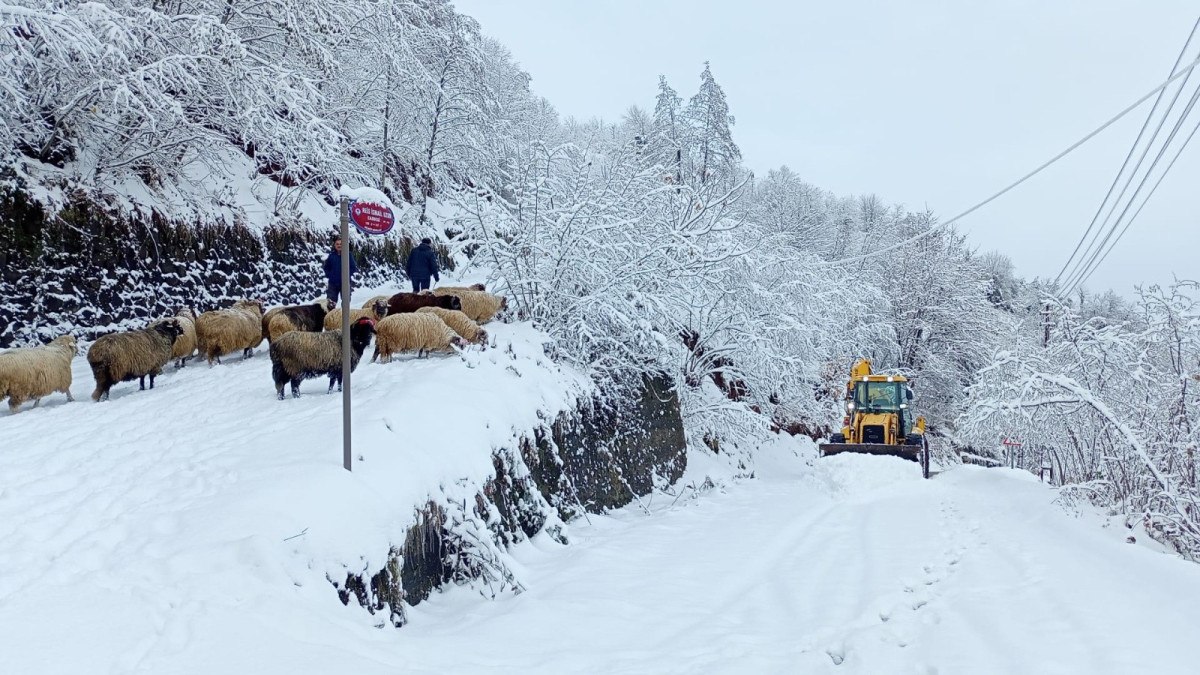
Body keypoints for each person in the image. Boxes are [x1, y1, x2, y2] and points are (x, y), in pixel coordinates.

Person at [323, 235, 357, 306]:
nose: (339, 245)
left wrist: (347, 275)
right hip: (333, 284)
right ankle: (331, 317)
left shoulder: (348, 255)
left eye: (341, 244)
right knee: (330, 303)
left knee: (346, 303)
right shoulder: (331, 256)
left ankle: (343, 317)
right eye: (337, 244)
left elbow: (353, 267)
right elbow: (326, 268)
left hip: (345, 283)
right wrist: (330, 275)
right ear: (335, 245)